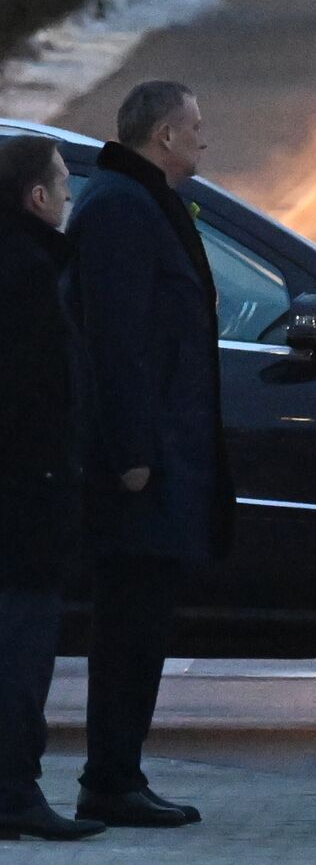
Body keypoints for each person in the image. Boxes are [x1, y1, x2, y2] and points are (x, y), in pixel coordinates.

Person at [64, 81, 233, 828]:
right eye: (196, 126)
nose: (204, 138)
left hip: (164, 455)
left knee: (143, 623)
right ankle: (110, 777)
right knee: (129, 624)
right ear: (164, 135)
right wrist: (132, 451)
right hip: (141, 465)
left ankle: (119, 771)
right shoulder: (121, 211)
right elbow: (115, 342)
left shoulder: (134, 203)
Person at [0, 137, 105, 842]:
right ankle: (13, 790)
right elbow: (36, 394)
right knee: (21, 649)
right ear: (37, 197)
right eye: (64, 187)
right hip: (24, 500)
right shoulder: (29, 273)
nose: (69, 198)